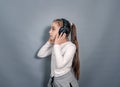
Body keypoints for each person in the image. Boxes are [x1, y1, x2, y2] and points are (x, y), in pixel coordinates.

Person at [37, 18, 80, 87]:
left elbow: (60, 65)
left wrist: (56, 45)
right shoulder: (56, 46)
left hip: (64, 82)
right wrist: (49, 42)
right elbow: (40, 54)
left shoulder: (71, 47)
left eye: (53, 29)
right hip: (54, 79)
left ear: (62, 32)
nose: (49, 32)